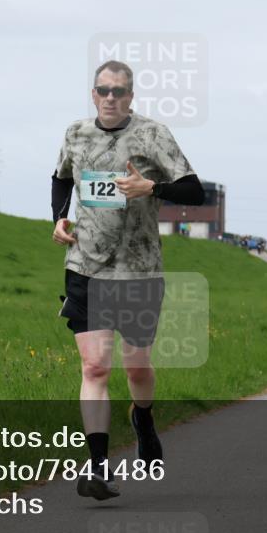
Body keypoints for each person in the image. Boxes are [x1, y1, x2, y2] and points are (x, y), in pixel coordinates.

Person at [51, 59, 204, 498]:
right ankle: (98, 467)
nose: (111, 98)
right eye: (103, 90)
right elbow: (61, 178)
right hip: (87, 266)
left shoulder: (153, 135)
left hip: (139, 271)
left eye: (119, 91)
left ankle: (143, 417)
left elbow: (195, 190)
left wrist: (151, 189)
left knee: (136, 367)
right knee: (95, 365)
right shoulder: (75, 134)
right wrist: (60, 218)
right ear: (94, 94)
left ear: (131, 96)